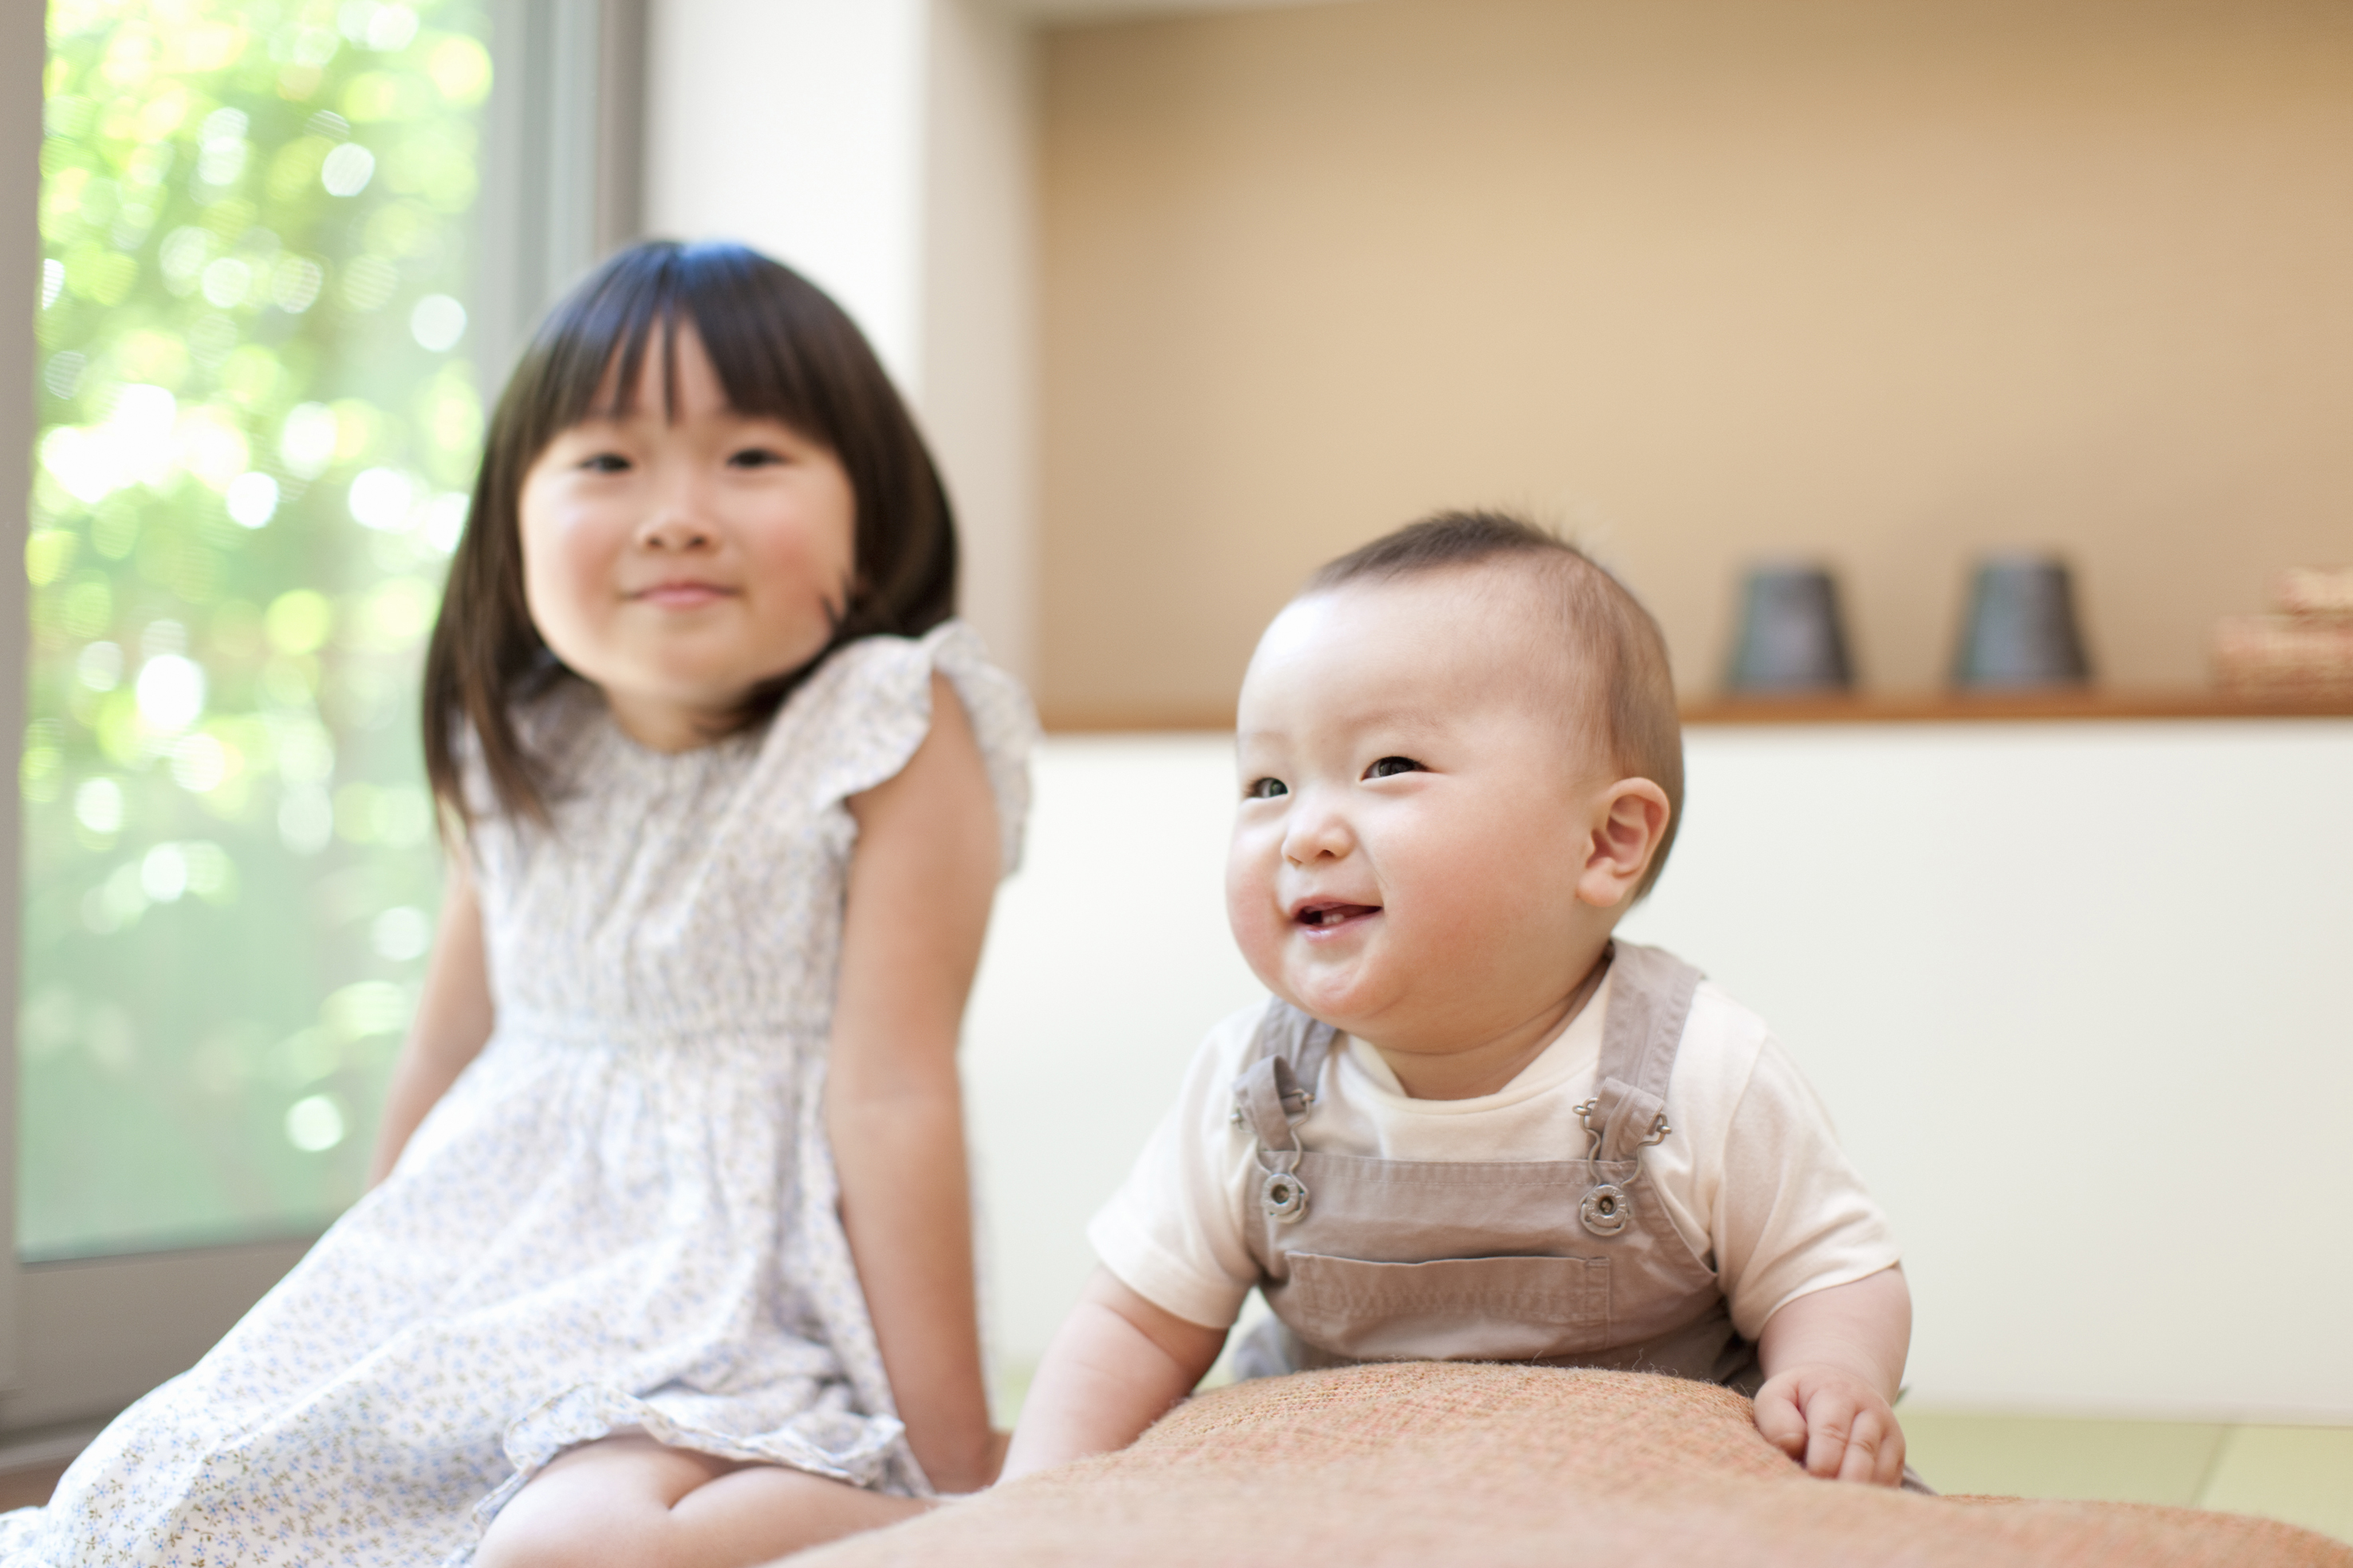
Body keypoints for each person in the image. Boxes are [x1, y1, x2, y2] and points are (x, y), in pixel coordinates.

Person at [0, 241, 1034, 1567]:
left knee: (568, 1548)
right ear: (512, 524)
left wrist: (957, 1463)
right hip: (489, 1283)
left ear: (870, 514)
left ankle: (900, 1509)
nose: (678, 513)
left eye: (752, 457)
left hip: (726, 1306)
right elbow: (446, 1046)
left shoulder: (888, 721)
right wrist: (358, 1316)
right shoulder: (518, 741)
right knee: (159, 1495)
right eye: (609, 463)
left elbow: (893, 1093)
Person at [1001, 510, 1914, 1490]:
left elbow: (1829, 1272)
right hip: (1335, 1499)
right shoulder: (1252, 1085)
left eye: (1389, 766)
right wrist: (1031, 1501)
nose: (1303, 830)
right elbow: (1133, 1322)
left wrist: (1829, 1374)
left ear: (1606, 842)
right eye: (1267, 782)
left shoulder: (1698, 1066)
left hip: (1641, 1500)